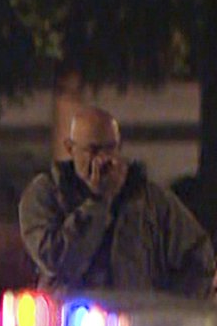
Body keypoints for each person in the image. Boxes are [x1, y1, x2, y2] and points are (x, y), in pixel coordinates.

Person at [18, 106, 214, 296]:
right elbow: (56, 260)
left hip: (137, 319)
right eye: (93, 150)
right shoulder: (47, 194)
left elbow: (198, 256)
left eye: (110, 148)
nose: (103, 160)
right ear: (70, 149)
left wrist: (169, 304)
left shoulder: (149, 199)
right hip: (68, 319)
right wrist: (97, 202)